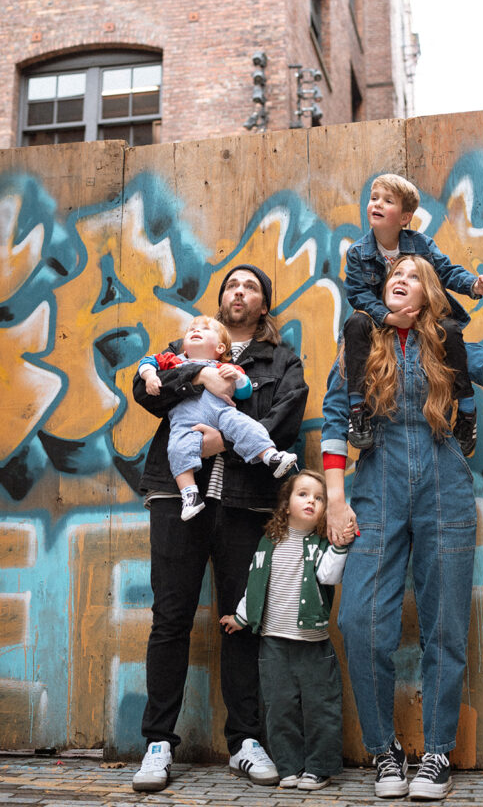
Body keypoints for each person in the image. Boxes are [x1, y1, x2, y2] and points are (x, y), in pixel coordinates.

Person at [322, 256, 483, 801]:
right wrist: (337, 500)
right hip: (374, 490)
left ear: (430, 291)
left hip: (445, 484)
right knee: (361, 621)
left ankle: (437, 753)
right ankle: (384, 752)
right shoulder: (361, 342)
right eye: (393, 273)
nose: (399, 277)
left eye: (412, 274)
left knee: (444, 625)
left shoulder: (450, 345)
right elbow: (330, 419)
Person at [132, 264, 309, 793]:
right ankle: (158, 743)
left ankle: (246, 741)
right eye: (232, 285)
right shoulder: (187, 345)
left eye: (250, 286)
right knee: (170, 619)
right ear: (221, 299)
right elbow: (147, 391)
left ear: (263, 304)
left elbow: (286, 417)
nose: (239, 292)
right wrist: (198, 375)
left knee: (241, 620)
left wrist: (223, 443)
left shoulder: (281, 360)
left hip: (244, 504)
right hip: (175, 497)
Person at [343, 174, 483, 456]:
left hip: (419, 320)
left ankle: (467, 410)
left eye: (388, 201)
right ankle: (357, 409)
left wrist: (474, 284)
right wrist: (389, 319)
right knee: (355, 322)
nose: (377, 204)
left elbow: (447, 272)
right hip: (379, 325)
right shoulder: (357, 252)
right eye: (374, 198)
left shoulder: (421, 244)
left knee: (449, 328)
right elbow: (358, 294)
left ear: (405, 217)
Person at [221, 470, 353, 792]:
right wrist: (241, 616)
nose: (311, 501)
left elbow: (329, 576)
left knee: (320, 708)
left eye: (319, 498)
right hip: (273, 645)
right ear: (286, 503)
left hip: (313, 644)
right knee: (279, 708)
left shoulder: (322, 544)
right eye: (303, 494)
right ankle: (289, 767)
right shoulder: (269, 542)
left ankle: (319, 768)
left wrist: (340, 545)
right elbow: (256, 584)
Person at [138, 315, 298, 521]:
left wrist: (238, 377)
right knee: (177, 449)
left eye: (205, 329)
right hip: (185, 421)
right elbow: (147, 362)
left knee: (246, 427)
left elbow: (244, 392)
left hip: (221, 413)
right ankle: (189, 495)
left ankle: (270, 456)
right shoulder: (174, 360)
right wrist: (151, 376)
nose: (196, 331)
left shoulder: (224, 366)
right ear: (184, 346)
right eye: (191, 329)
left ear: (221, 348)